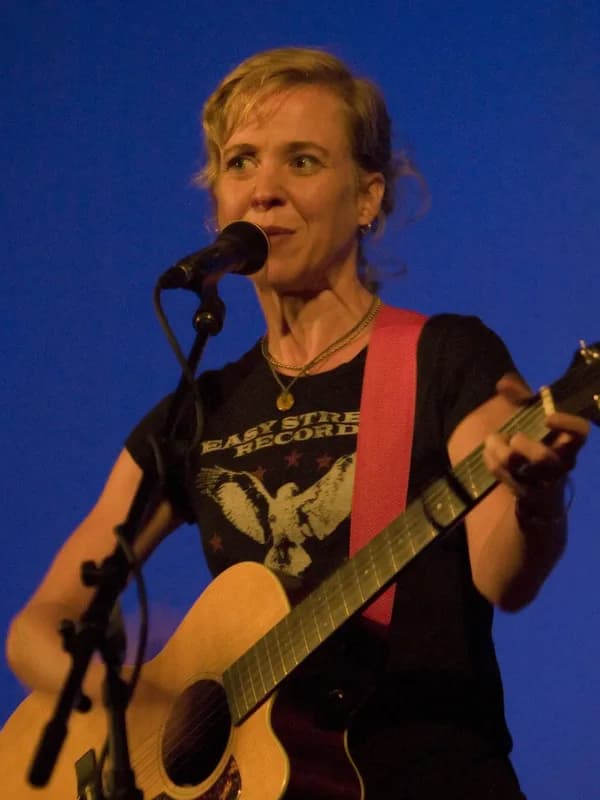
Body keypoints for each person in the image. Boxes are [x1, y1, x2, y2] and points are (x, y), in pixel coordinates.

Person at [6, 47, 589, 799]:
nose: (265, 190)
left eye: (303, 161)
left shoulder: (443, 357)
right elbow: (39, 626)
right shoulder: (200, 409)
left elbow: (503, 578)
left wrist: (537, 501)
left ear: (368, 196)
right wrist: (135, 706)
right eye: (241, 162)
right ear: (217, 202)